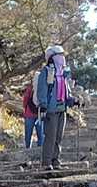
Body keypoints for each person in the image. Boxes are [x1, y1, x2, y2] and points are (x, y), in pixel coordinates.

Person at [33, 44, 75, 173]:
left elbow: (66, 91)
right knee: (50, 136)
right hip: (50, 109)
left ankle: (55, 160)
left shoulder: (63, 74)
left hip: (62, 109)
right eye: (59, 55)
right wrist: (43, 105)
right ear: (52, 57)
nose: (62, 58)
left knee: (58, 137)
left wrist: (71, 100)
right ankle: (46, 161)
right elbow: (42, 90)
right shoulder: (46, 72)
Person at [22, 77, 44, 151]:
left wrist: (25, 108)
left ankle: (28, 148)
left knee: (28, 134)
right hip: (39, 114)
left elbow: (25, 99)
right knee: (40, 134)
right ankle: (40, 149)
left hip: (29, 114)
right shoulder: (43, 88)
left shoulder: (30, 88)